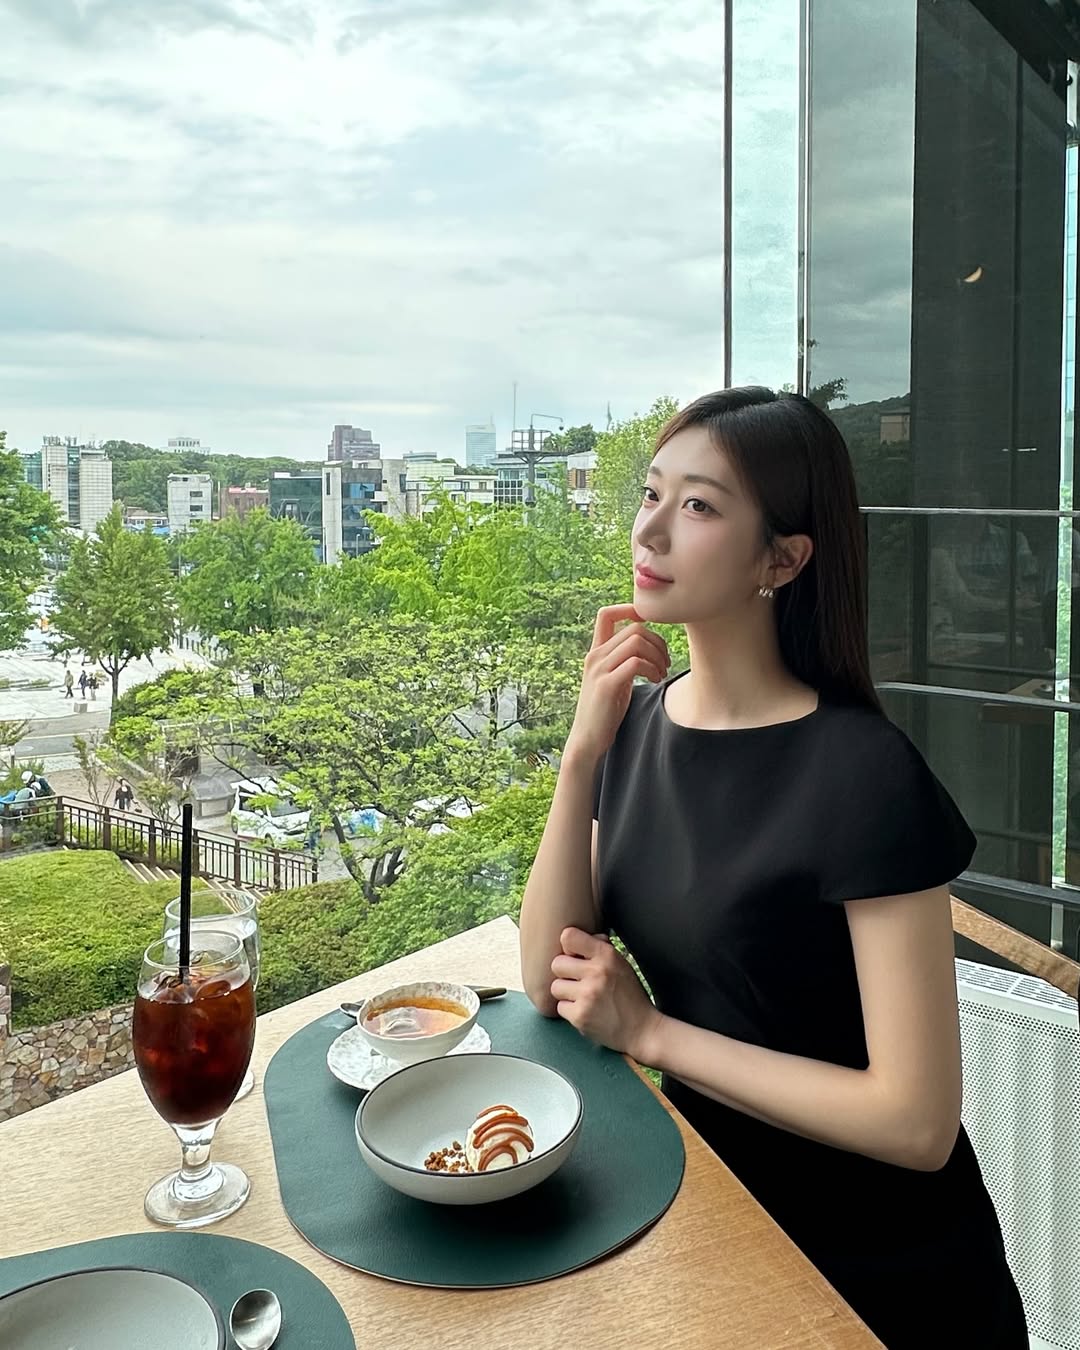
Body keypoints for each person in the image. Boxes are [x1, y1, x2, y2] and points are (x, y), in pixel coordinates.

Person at [519, 388, 1027, 1350]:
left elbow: (916, 1123)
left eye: (699, 506)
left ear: (782, 560)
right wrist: (581, 754)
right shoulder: (638, 725)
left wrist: (651, 1033)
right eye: (652, 494)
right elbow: (550, 977)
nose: (651, 530)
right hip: (712, 1213)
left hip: (878, 1267)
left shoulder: (864, 773)